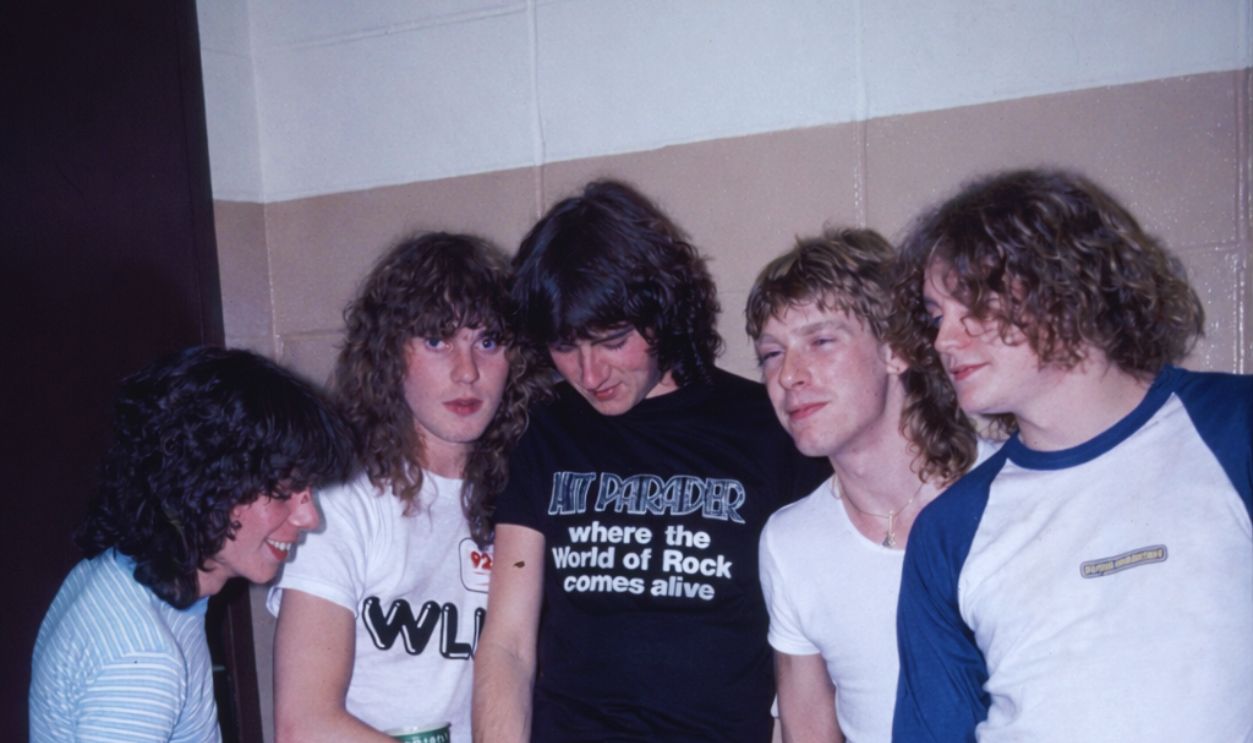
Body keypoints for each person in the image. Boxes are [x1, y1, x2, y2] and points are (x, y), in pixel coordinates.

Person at [890, 168, 1253, 741]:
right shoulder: (950, 530)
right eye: (937, 317)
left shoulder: (1234, 429)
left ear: (1065, 284)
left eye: (973, 307)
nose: (943, 341)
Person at [472, 180, 830, 742]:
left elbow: (809, 652)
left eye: (612, 340)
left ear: (662, 313)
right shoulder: (546, 428)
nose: (589, 375)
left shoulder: (767, 428)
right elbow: (508, 643)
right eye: (566, 347)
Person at [270, 233, 544, 743]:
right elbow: (301, 725)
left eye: (487, 342)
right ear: (389, 354)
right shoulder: (339, 502)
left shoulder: (525, 488)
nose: (467, 373)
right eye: (437, 341)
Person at [29, 346, 353, 743]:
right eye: (284, 491)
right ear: (205, 483)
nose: (310, 518)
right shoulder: (143, 661)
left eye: (310, 490)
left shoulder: (119, 575)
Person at [747, 228, 982, 742]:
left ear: (896, 349)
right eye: (771, 354)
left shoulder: (1004, 491)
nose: (789, 376)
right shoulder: (791, 542)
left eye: (821, 341)